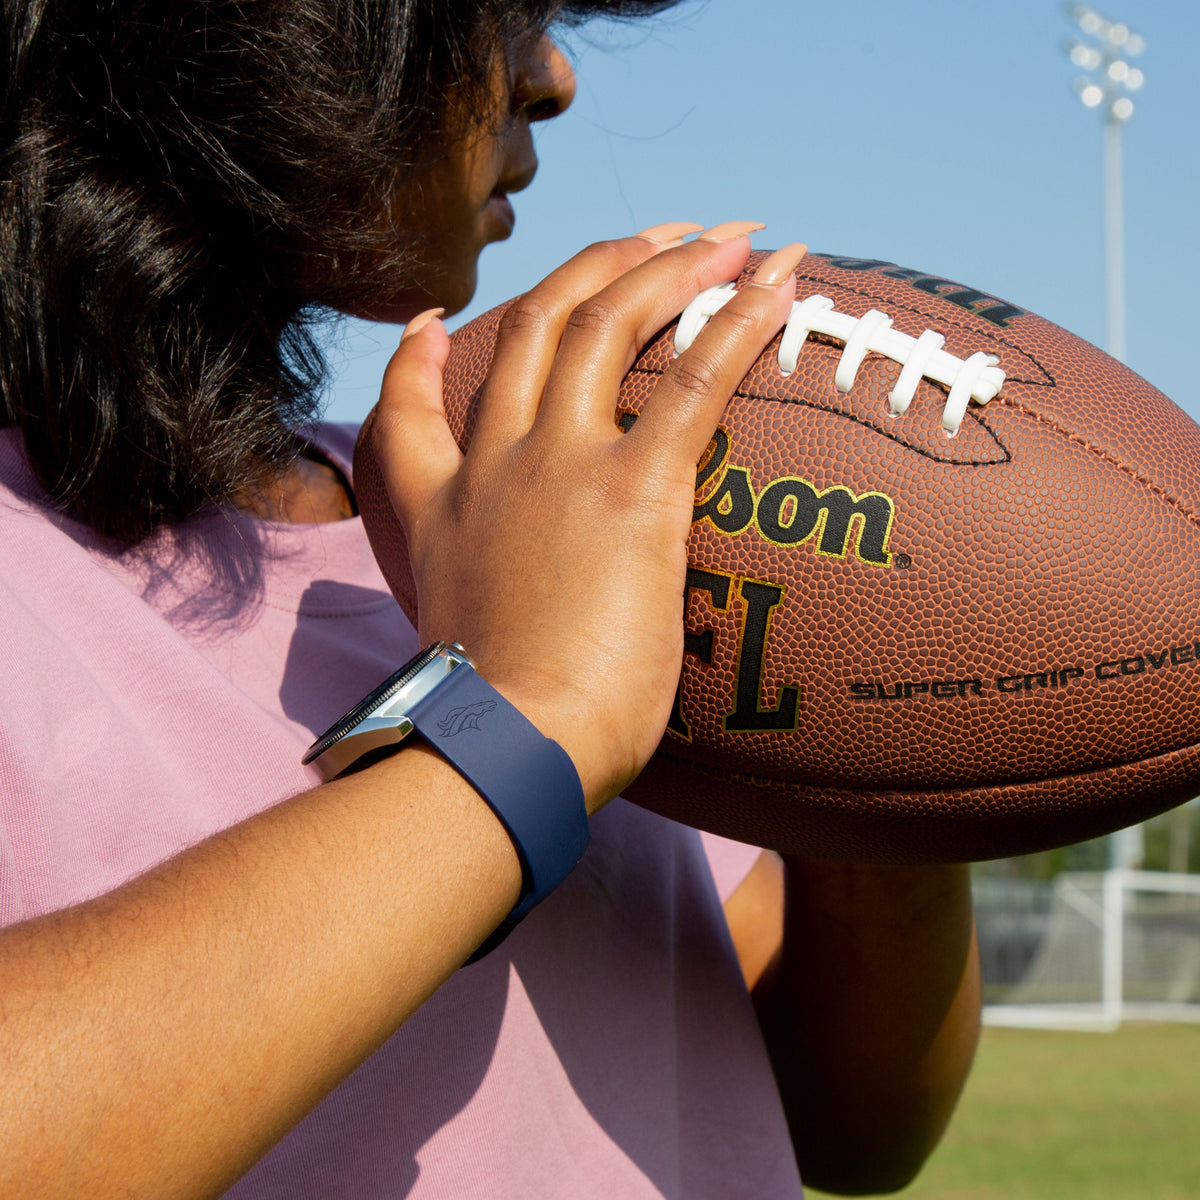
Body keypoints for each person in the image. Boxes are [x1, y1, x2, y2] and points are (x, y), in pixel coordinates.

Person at [0, 1, 981, 1196]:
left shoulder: (508, 521)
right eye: (502, 8)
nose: (553, 74)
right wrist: (522, 712)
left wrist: (878, 722)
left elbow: (851, 1127)